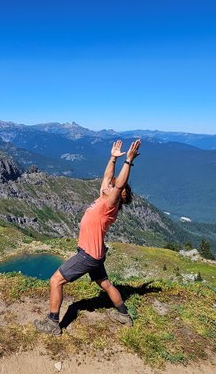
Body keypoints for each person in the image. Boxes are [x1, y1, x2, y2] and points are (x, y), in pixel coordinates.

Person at [35, 139, 141, 335]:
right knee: (106, 283)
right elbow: (107, 177)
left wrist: (128, 161)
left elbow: (118, 186)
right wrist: (113, 158)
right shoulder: (103, 197)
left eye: (117, 186)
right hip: (96, 253)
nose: (112, 183)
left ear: (120, 197)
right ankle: (124, 316)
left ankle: (52, 324)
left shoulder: (109, 206)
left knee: (55, 281)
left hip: (89, 256)